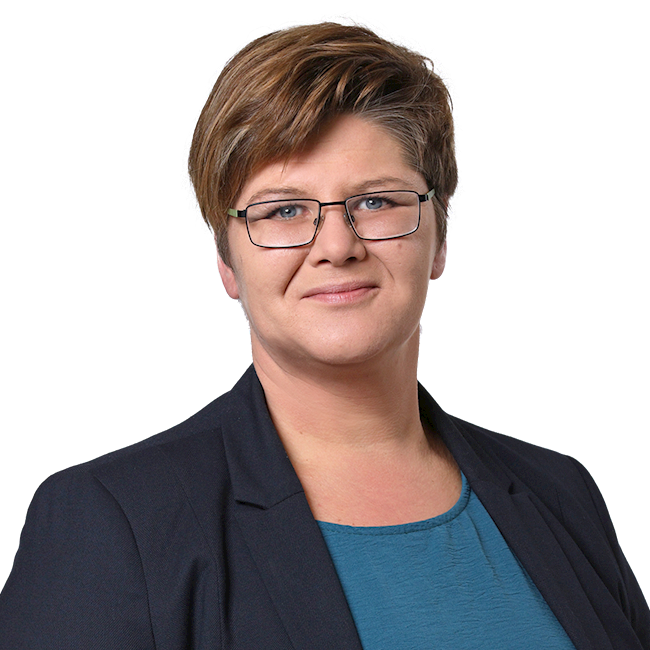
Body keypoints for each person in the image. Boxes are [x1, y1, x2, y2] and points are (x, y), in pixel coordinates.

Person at [1, 18, 647, 650]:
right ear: (227, 262)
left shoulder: (562, 492)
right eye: (284, 210)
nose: (337, 246)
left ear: (439, 238)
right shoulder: (112, 520)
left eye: (377, 201)